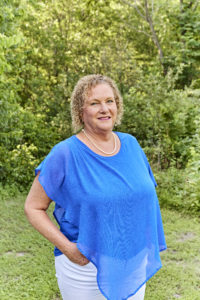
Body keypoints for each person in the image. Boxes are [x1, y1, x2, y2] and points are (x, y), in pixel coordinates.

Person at [25, 74, 167, 300]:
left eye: (109, 101)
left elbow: (141, 195)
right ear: (81, 111)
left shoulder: (131, 144)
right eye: (94, 103)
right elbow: (33, 207)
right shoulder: (65, 153)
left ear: (117, 106)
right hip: (85, 270)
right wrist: (69, 249)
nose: (104, 109)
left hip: (131, 264)